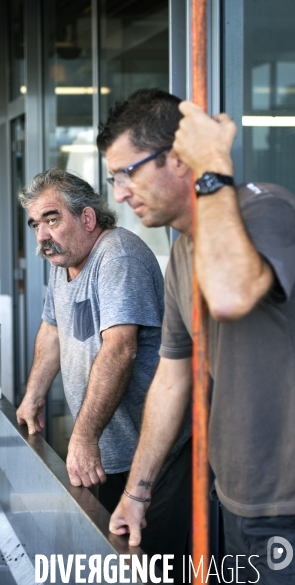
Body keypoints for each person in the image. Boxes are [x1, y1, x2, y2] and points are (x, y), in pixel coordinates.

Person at [98, 88, 295, 582]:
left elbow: (230, 296)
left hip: (285, 501)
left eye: (128, 173)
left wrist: (213, 166)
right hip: (232, 493)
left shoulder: (265, 209)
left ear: (178, 159)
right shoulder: (183, 252)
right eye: (112, 178)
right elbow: (171, 378)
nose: (119, 193)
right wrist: (137, 493)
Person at [16, 168, 191, 562]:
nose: (42, 235)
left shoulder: (117, 256)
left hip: (151, 455)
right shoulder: (63, 261)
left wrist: (82, 437)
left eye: (52, 219)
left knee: (150, 564)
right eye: (35, 224)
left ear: (88, 218)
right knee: (111, 560)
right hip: (109, 452)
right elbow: (52, 329)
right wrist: (33, 397)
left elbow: (120, 349)